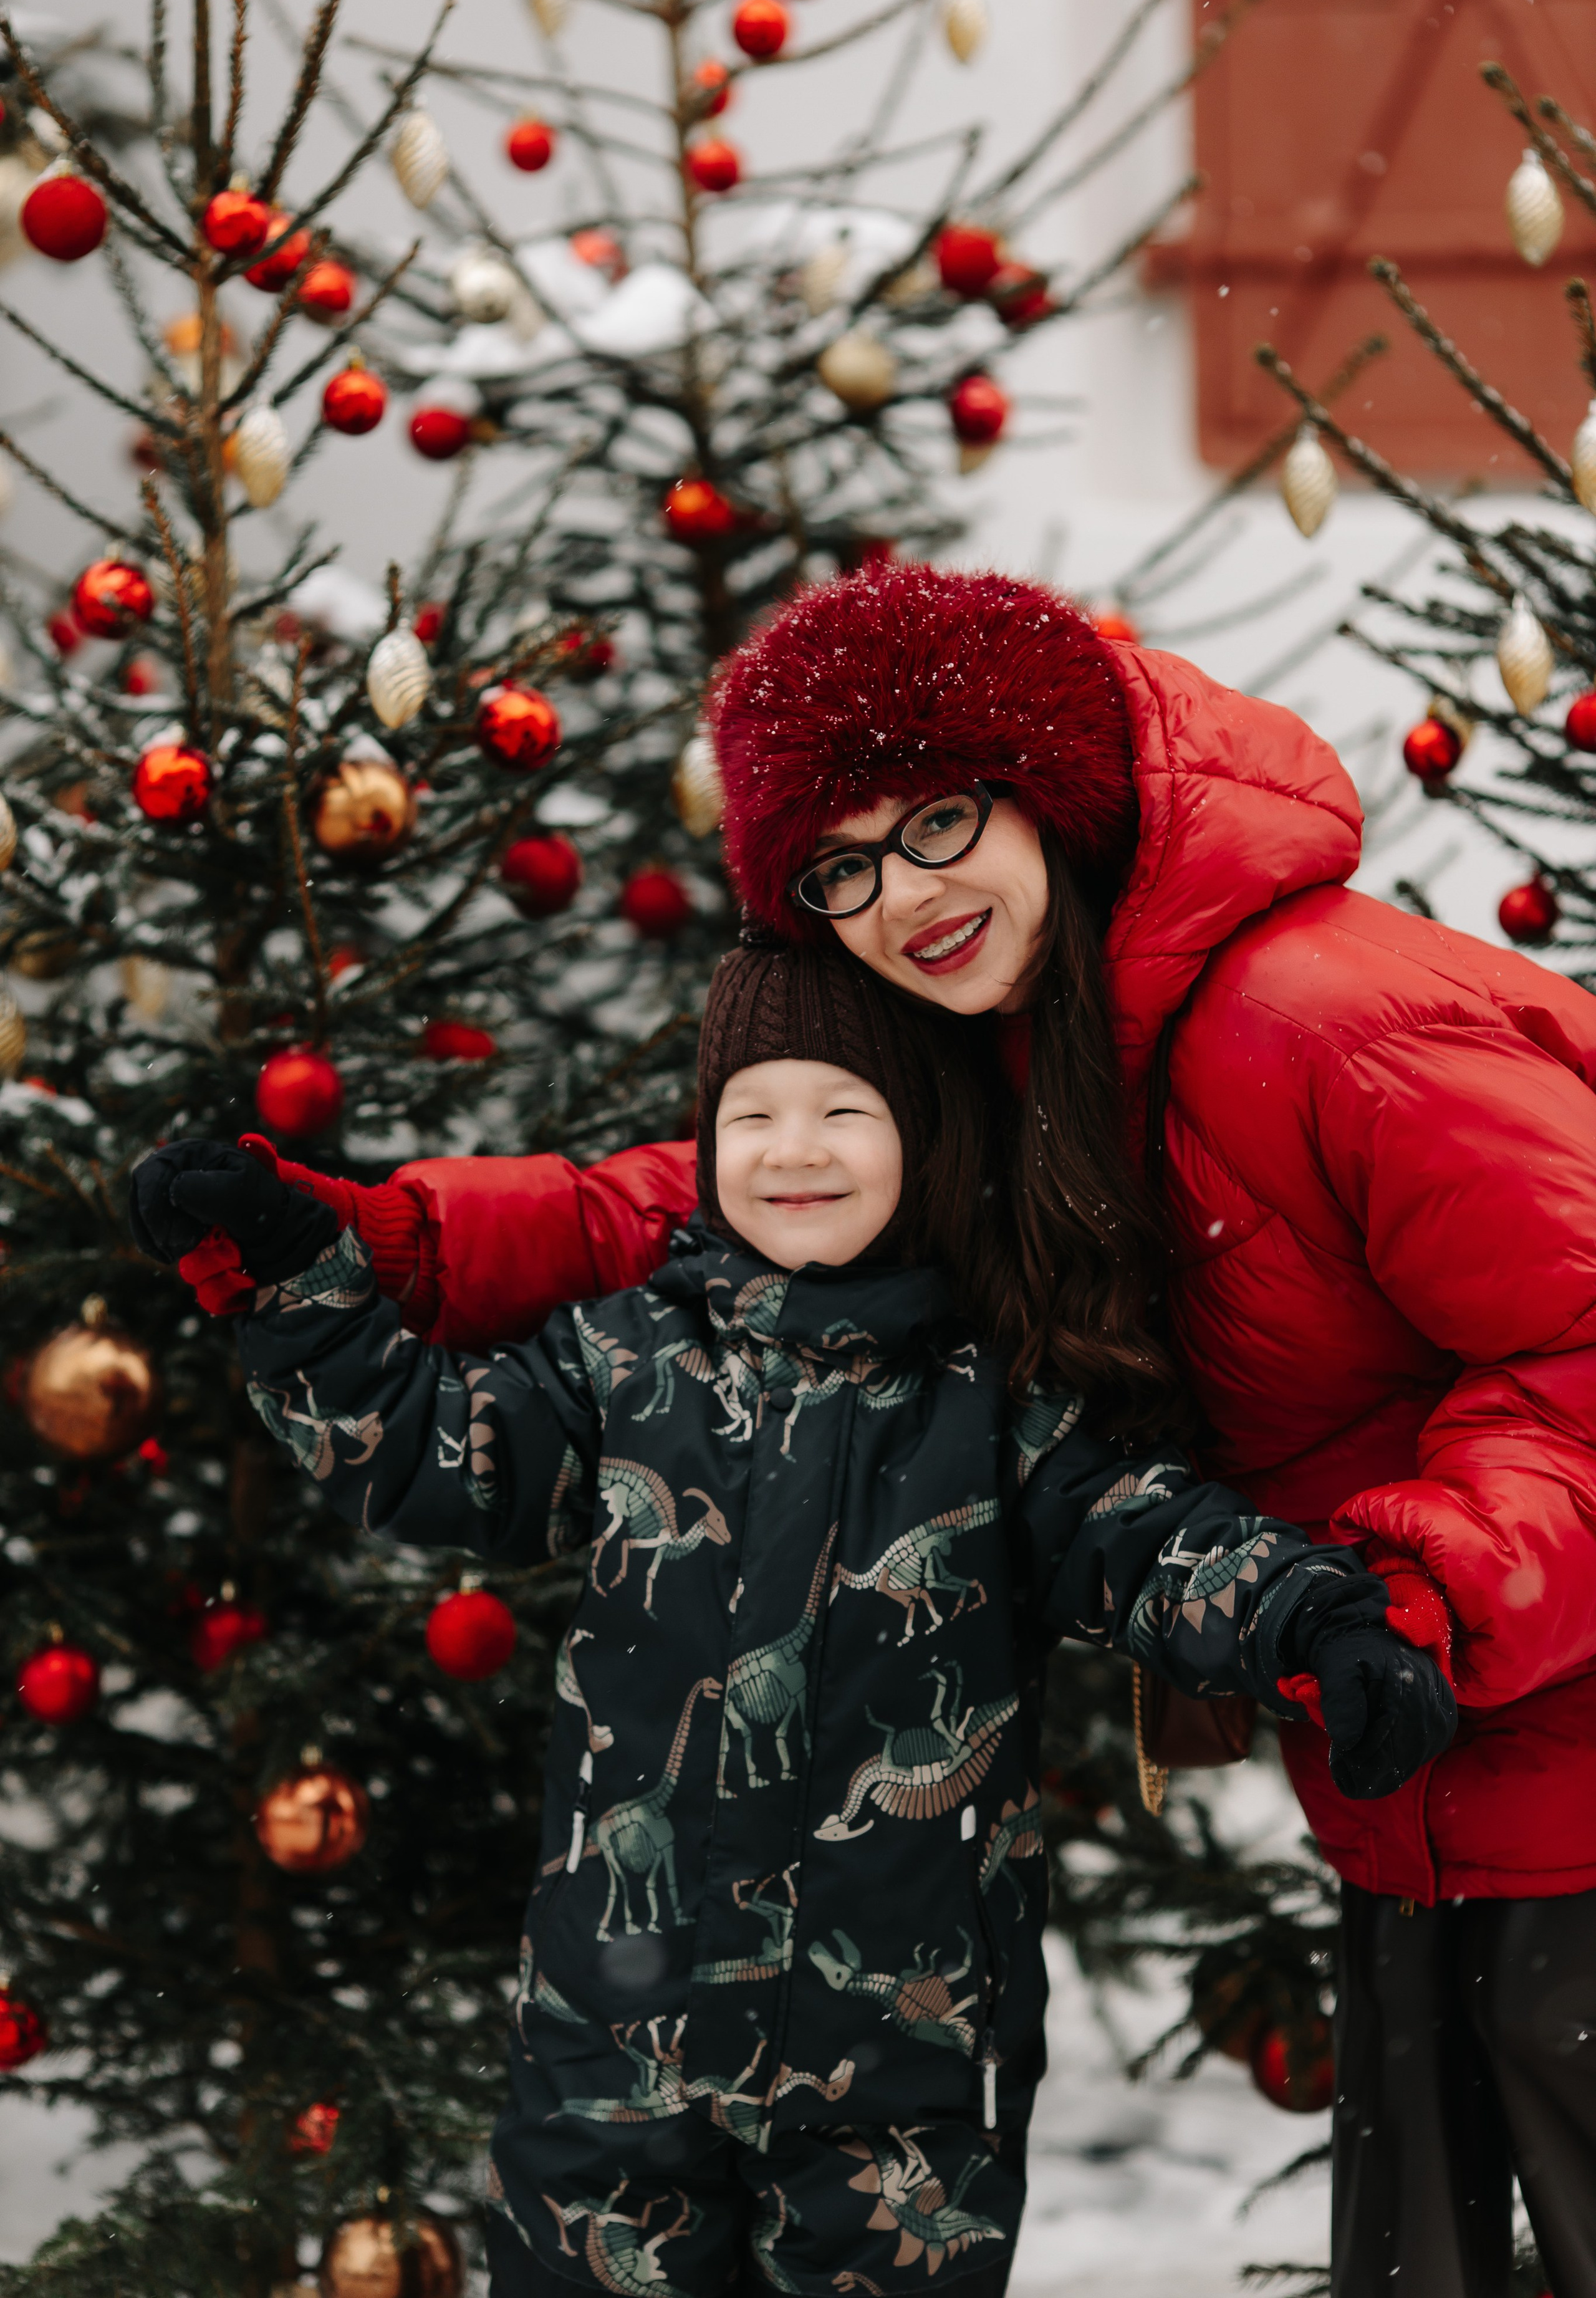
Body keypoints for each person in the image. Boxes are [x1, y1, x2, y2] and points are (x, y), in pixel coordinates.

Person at [180, 561, 1596, 2298]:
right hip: (1426, 1758)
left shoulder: (1324, 1018)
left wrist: (1429, 1588)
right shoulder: (1030, 1024)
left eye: (938, 819)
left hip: (1534, 1724)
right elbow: (711, 1212)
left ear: (1048, 791)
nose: (898, 895)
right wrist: (379, 1245)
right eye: (839, 866)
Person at [131, 938, 1450, 2298]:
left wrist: (1314, 1623)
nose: (790, 1150)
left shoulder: (995, 1408)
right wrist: (297, 1273)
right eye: (750, 1114)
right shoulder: (620, 1364)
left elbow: (1155, 1538)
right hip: (612, 2048)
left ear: (923, 1140)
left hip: (902, 2072)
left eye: (842, 1111)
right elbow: (422, 1449)